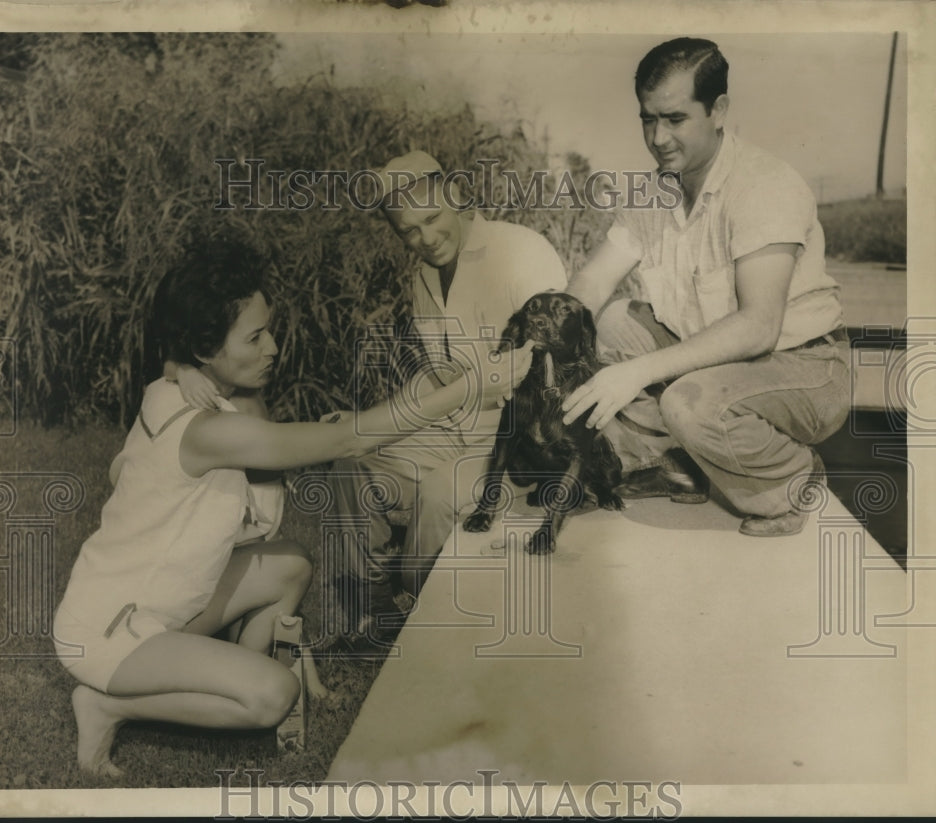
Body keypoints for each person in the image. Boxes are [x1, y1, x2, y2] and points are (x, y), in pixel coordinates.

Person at [53, 241, 533, 776]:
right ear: (206, 350)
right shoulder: (207, 427)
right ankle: (107, 704)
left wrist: (177, 365)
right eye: (255, 337)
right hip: (110, 631)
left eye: (269, 330)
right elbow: (351, 442)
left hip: (156, 603)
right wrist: (470, 388)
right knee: (271, 697)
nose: (274, 347)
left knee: (290, 565)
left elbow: (136, 462)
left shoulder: (172, 390)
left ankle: (233, 669)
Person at [564, 37, 850, 537]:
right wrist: (545, 332)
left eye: (674, 119)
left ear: (718, 110)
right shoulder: (654, 190)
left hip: (806, 366)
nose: (657, 137)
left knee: (687, 404)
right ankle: (680, 461)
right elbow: (594, 279)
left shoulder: (763, 184)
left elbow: (759, 328)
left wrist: (637, 372)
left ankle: (792, 476)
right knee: (607, 321)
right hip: (725, 363)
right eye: (647, 119)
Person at [324, 150, 570, 634]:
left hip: (522, 435)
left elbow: (547, 366)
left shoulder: (521, 249)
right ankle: (370, 602)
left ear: (455, 195)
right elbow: (438, 378)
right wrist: (365, 425)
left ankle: (416, 611)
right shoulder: (422, 278)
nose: (426, 238)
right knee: (352, 461)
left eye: (432, 218)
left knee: (439, 493)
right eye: (408, 231)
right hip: (457, 424)